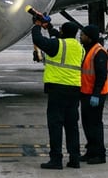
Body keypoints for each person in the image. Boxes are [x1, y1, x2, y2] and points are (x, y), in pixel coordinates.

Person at [30, 15, 83, 169]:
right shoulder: (79, 47)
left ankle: (56, 159)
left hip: (57, 90)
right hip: (74, 90)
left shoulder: (58, 45)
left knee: (55, 125)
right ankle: (74, 159)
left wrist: (37, 25)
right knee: (72, 126)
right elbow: (58, 41)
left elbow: (39, 40)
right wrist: (50, 28)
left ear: (63, 32)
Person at [79, 25, 108, 164]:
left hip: (96, 95)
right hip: (86, 93)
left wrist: (96, 94)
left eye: (83, 34)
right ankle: (91, 151)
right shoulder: (88, 49)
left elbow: (102, 75)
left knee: (95, 124)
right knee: (87, 124)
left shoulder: (99, 52)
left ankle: (99, 154)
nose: (80, 36)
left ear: (89, 37)